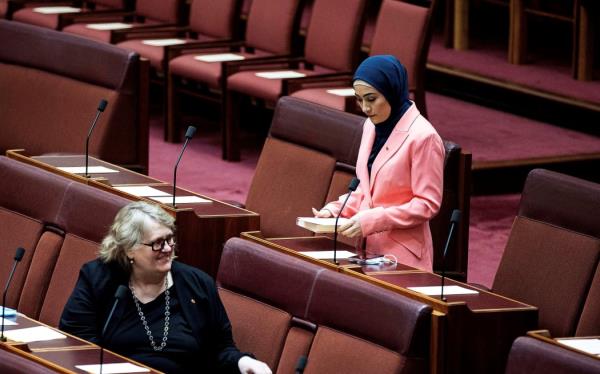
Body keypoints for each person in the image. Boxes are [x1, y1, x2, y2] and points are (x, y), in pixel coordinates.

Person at [60, 201, 271, 374]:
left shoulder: (197, 284)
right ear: (129, 249)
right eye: (157, 243)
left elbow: (220, 349)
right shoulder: (99, 278)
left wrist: (242, 361)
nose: (168, 248)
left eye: (170, 239)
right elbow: (77, 341)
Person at [313, 55, 444, 271]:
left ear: (392, 91)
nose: (365, 107)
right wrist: (337, 210)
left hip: (403, 257)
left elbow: (426, 204)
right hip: (367, 251)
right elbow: (368, 191)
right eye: (359, 99)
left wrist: (374, 220)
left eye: (371, 99)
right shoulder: (370, 127)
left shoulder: (423, 137)